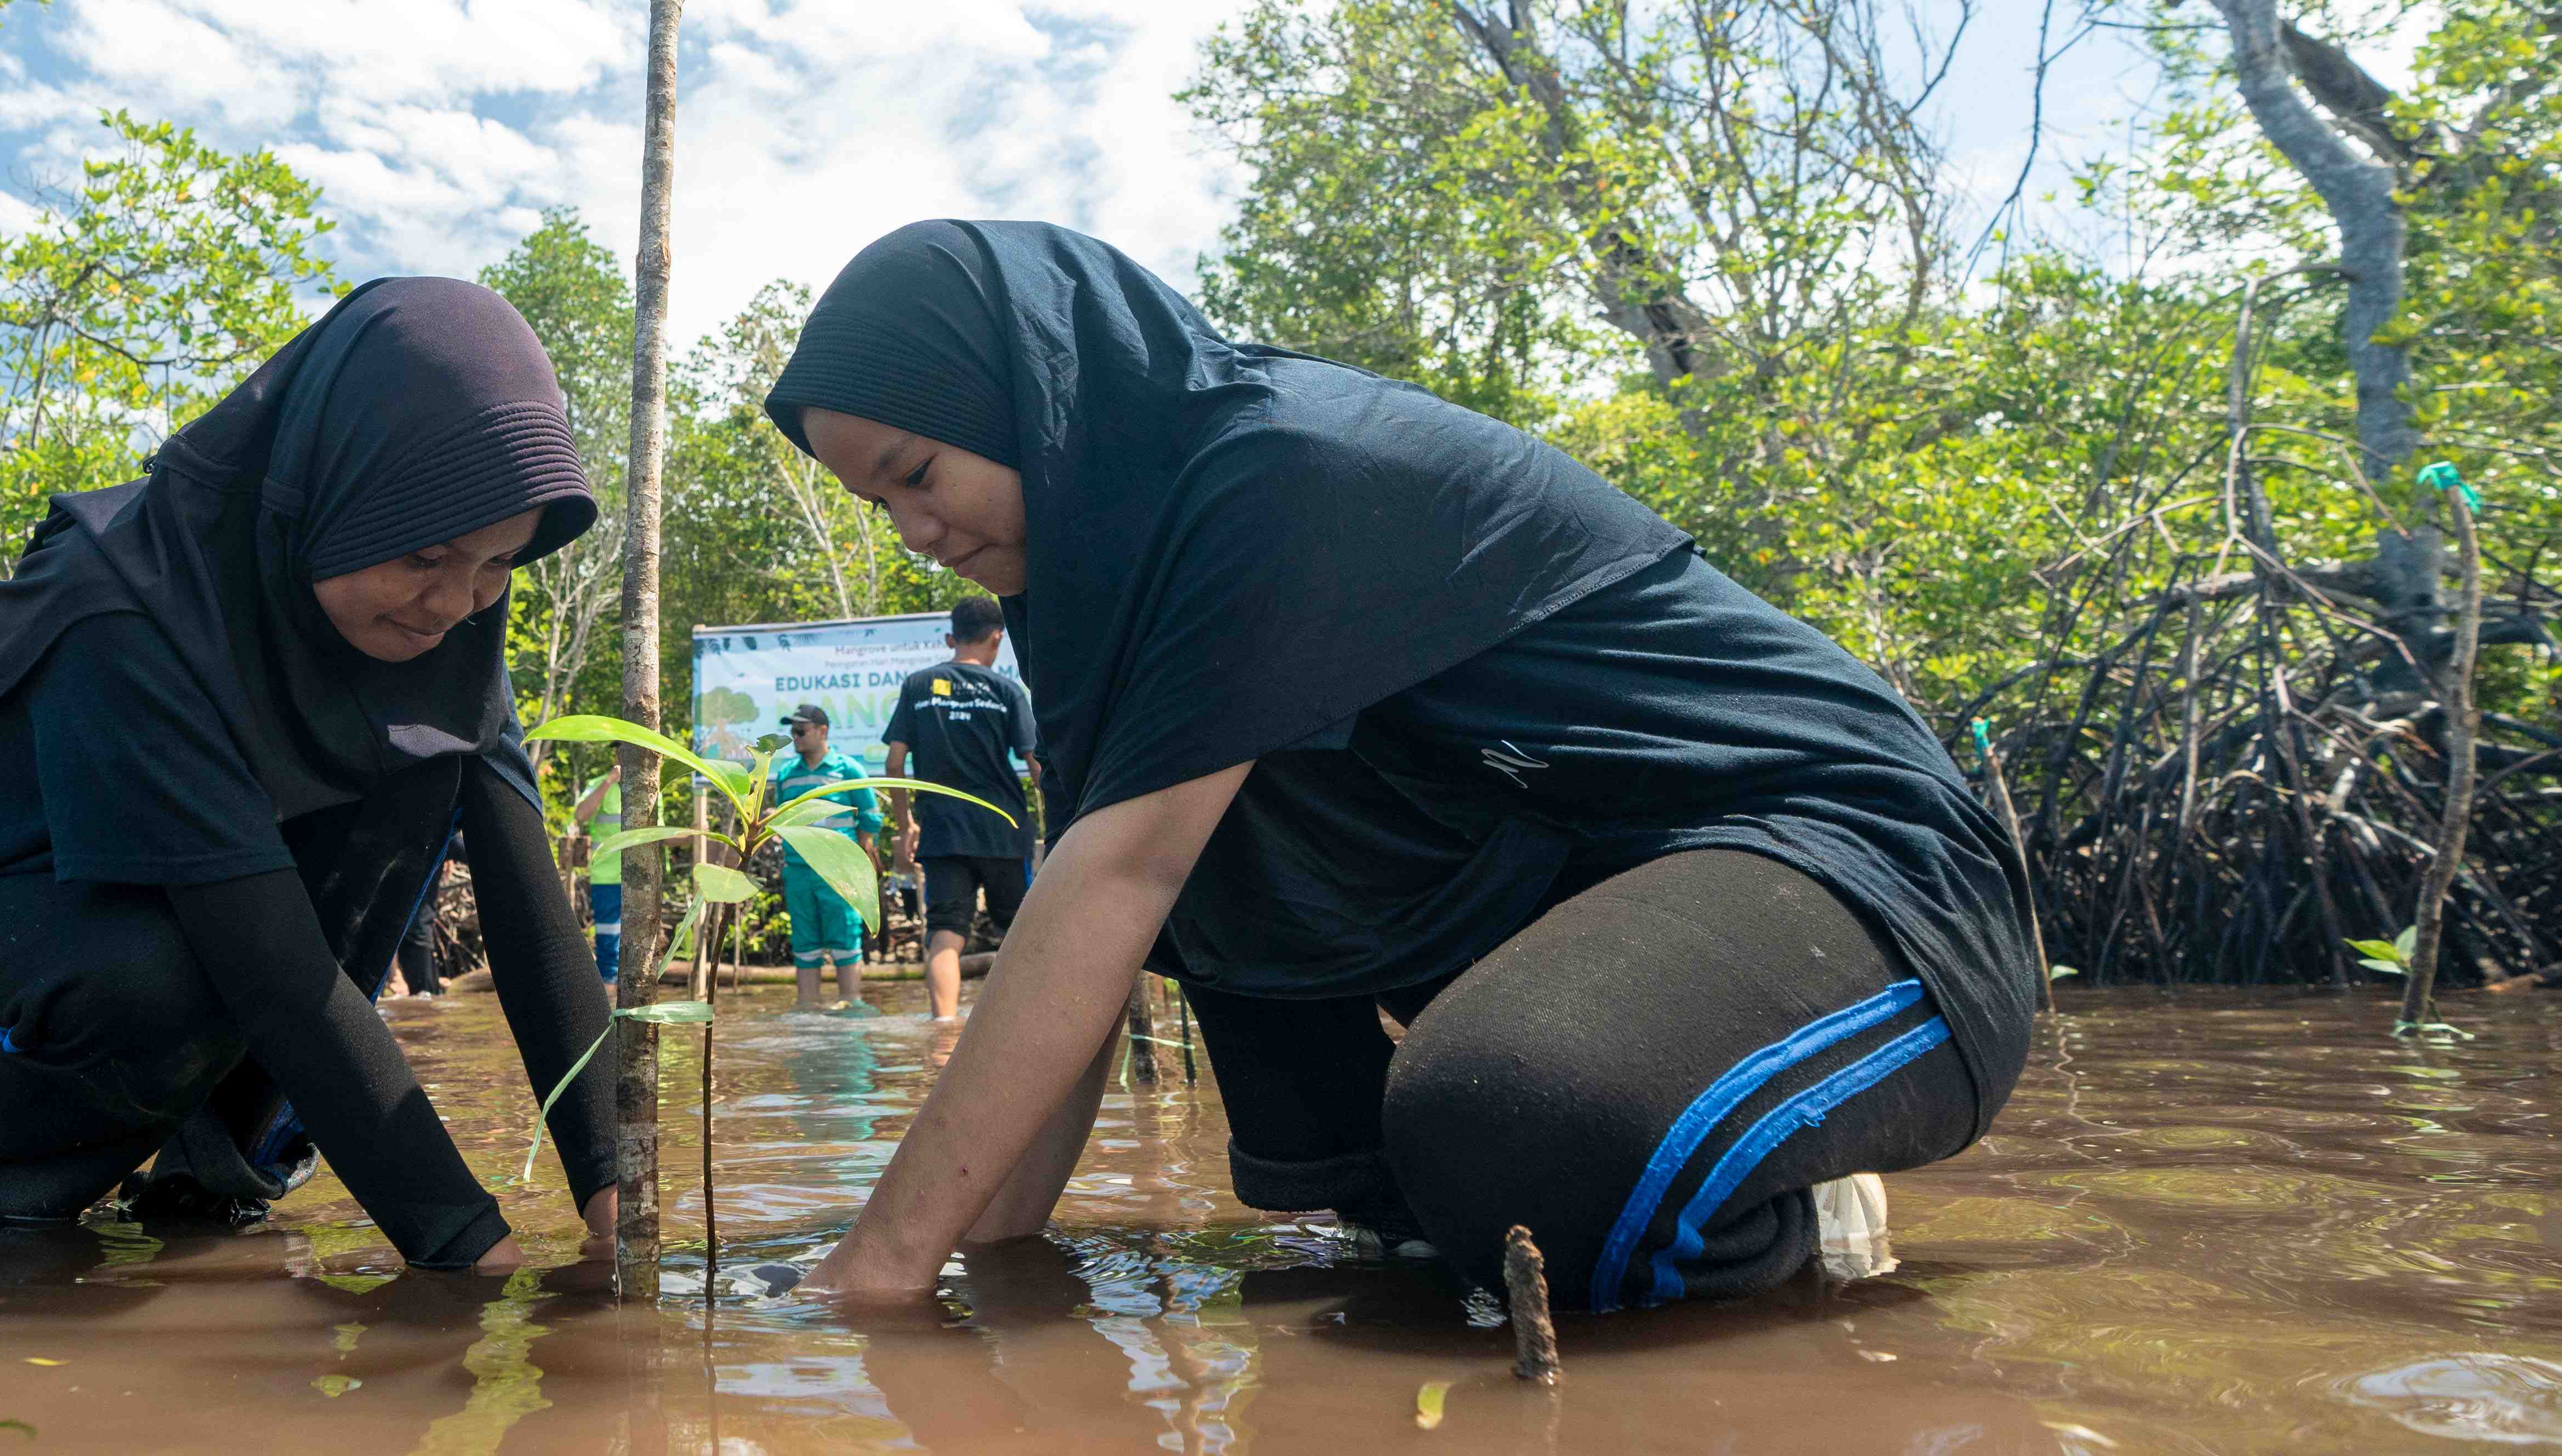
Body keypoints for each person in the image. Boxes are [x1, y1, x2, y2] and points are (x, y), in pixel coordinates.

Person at [763, 221, 2036, 1311]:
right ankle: (1551, 1179)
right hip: (1597, 897)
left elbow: (1116, 878)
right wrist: (978, 1259)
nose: (916, 533)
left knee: (1512, 1131)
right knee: (1414, 1217)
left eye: (917, 473)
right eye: (882, 509)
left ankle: (1780, 1205)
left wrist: (870, 1273)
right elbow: (1077, 955)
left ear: (1024, 393)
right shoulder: (1099, 587)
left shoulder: (1267, 473)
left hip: (1865, 877)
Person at [0, 278, 620, 1273]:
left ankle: (207, 1182)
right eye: (423, 553)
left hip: (147, 936)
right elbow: (273, 972)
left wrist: (616, 1198)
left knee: (413, 784)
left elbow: (526, 905)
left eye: (498, 561)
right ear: (326, 490)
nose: (456, 601)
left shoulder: (449, 622)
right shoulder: (119, 599)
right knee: (167, 978)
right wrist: (474, 1261)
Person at [882, 595, 1039, 1020]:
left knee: (945, 934)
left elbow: (894, 764)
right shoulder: (1007, 690)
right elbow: (1037, 763)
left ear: (953, 637)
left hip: (943, 832)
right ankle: (1020, 1026)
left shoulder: (917, 686)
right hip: (1004, 830)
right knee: (1018, 935)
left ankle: (944, 1030)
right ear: (997, 638)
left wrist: (906, 824)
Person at [765, 704, 884, 1011]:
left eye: (801, 731)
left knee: (845, 932)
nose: (796, 737)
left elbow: (870, 816)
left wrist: (862, 853)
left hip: (838, 872)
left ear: (823, 731)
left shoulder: (848, 770)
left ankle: (852, 1004)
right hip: (799, 871)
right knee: (804, 940)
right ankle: (807, 1007)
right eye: (793, 732)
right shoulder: (787, 774)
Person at [569, 766, 624, 984]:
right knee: (609, 941)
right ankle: (608, 996)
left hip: (640, 878)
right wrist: (609, 782)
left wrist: (693, 833)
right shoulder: (600, 783)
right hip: (607, 875)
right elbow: (581, 815)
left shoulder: (650, 785)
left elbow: (662, 834)